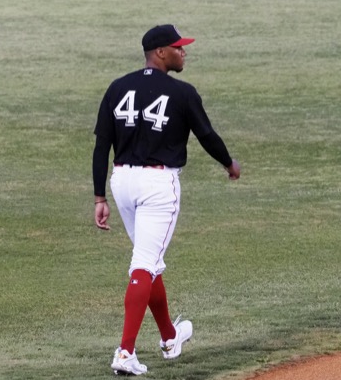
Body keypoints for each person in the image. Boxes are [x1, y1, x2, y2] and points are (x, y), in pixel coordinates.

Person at [92, 24, 241, 376]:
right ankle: (125, 351)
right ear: (160, 53)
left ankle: (170, 337)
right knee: (144, 263)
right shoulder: (182, 92)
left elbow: (101, 146)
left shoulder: (117, 88)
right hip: (158, 184)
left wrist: (99, 195)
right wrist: (229, 163)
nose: (184, 52)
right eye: (178, 47)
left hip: (122, 181)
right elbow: (206, 135)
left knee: (149, 257)